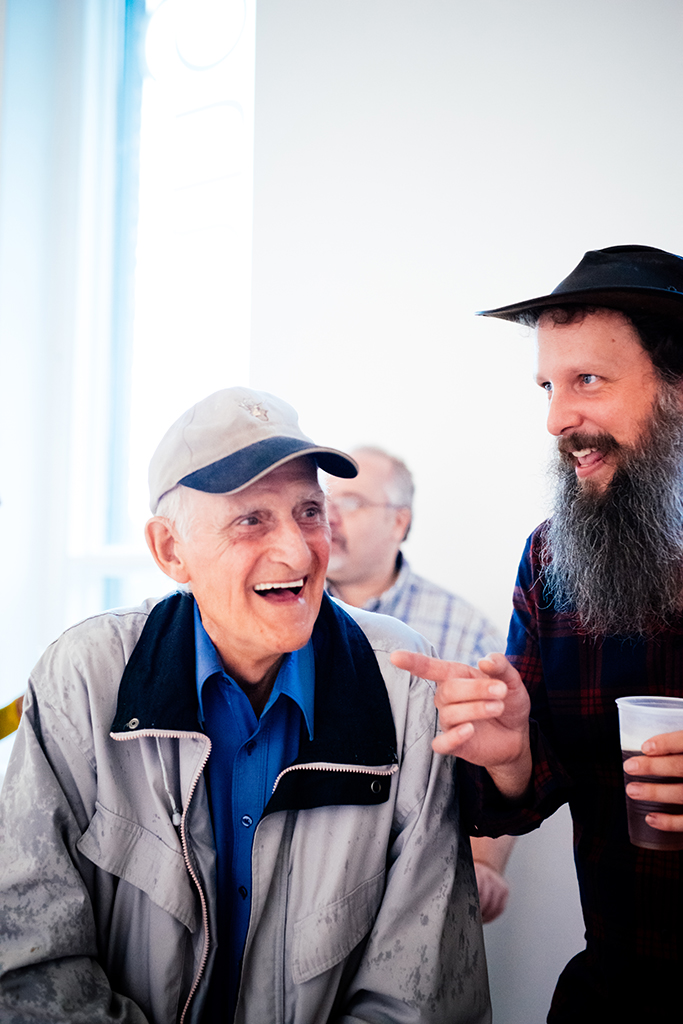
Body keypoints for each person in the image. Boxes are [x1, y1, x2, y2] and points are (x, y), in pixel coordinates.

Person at [0, 386, 490, 1024]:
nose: (298, 551)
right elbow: (30, 958)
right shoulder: (85, 676)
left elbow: (421, 995)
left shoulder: (401, 681)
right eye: (251, 519)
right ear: (171, 550)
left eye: (309, 511)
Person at [392, 245, 683, 1021]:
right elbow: (528, 790)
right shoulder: (553, 557)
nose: (556, 420)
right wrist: (510, 753)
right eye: (548, 387)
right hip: (616, 991)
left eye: (587, 380)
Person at [325, 445, 514, 923]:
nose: (329, 516)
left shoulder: (464, 632)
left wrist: (486, 864)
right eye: (322, 501)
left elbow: (498, 752)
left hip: (413, 888)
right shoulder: (287, 612)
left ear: (399, 522)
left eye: (352, 502)